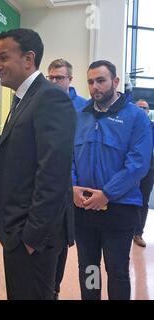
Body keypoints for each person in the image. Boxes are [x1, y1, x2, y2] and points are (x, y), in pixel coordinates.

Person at [0, 28, 76, 300]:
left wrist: (32, 236)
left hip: (32, 236)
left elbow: (53, 173)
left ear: (28, 59)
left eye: (3, 57)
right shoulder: (24, 99)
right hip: (18, 231)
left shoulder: (50, 98)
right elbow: (25, 152)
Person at [72, 60, 152, 300]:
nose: (95, 86)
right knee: (89, 268)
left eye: (101, 80)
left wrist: (106, 193)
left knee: (116, 271)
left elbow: (137, 165)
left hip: (120, 209)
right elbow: (70, 157)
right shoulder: (81, 116)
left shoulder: (136, 118)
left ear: (115, 82)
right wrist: (73, 186)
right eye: (90, 82)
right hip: (84, 209)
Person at [47, 58, 87, 299]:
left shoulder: (84, 108)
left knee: (64, 243)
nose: (54, 82)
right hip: (46, 183)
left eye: (59, 78)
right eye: (50, 77)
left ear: (70, 80)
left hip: (71, 185)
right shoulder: (42, 103)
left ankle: (55, 289)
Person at [133, 99, 154, 247]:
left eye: (144, 108)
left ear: (148, 111)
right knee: (126, 199)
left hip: (148, 169)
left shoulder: (152, 127)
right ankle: (125, 230)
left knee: (143, 201)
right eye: (138, 107)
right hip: (129, 169)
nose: (141, 110)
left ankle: (138, 233)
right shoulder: (129, 125)